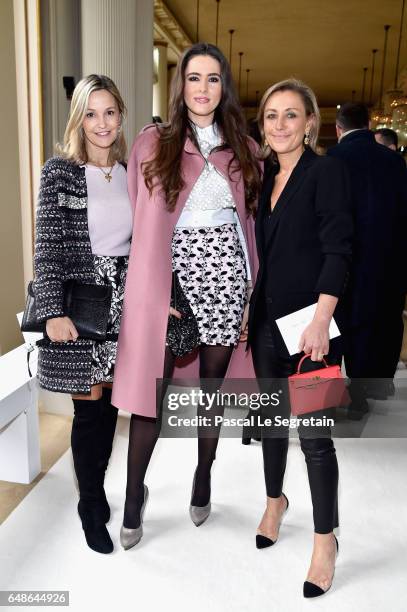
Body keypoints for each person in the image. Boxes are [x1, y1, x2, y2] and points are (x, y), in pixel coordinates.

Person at [112, 42, 262, 549]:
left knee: (210, 391)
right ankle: (133, 498)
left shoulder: (242, 146)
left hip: (226, 276)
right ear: (181, 86)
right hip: (172, 279)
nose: (203, 88)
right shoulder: (153, 142)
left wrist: (248, 292)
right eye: (194, 78)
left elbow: (249, 222)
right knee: (151, 398)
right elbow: (141, 214)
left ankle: (204, 475)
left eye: (213, 79)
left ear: (225, 87)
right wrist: (160, 282)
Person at [247, 79, 353, 597]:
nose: (281, 125)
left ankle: (324, 539)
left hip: (313, 332)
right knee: (270, 424)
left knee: (315, 439)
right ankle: (274, 502)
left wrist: (320, 319)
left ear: (311, 122)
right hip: (266, 326)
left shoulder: (325, 172)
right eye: (271, 116)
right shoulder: (263, 175)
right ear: (262, 125)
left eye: (292, 115)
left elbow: (339, 250)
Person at [34, 74, 131, 554]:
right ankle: (90, 503)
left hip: (125, 300)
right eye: (91, 113)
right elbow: (47, 248)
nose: (101, 123)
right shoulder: (59, 171)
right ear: (78, 118)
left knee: (112, 408)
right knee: (88, 409)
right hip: (79, 301)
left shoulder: (135, 171)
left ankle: (96, 485)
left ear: (122, 115)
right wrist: (52, 311)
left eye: (109, 111)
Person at [329, 103, 407, 414]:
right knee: (375, 323)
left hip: (341, 257)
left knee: (337, 323)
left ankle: (329, 392)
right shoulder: (394, 162)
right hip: (385, 259)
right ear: (370, 125)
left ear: (338, 129)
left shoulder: (330, 160)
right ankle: (362, 390)